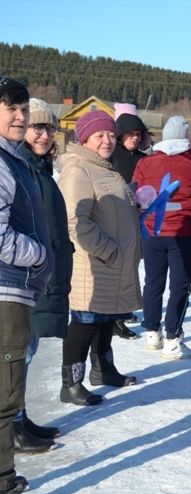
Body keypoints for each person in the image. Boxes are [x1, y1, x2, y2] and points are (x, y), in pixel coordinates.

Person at [58, 109, 142, 405]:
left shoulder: (106, 168)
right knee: (85, 321)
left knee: (107, 317)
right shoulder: (79, 169)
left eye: (109, 134)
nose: (106, 140)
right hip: (92, 263)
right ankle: (71, 384)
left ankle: (103, 369)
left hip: (113, 263)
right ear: (84, 139)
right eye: (99, 135)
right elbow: (75, 221)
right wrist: (109, 250)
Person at [0, 76, 54, 494]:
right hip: (5, 291)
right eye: (11, 109)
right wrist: (38, 253)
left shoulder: (13, 158)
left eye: (22, 108)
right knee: (4, 395)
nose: (20, 116)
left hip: (15, 290)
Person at [132, 116, 191, 359]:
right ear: (186, 137)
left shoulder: (145, 164)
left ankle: (152, 333)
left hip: (152, 232)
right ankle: (172, 339)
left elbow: (136, 196)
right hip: (185, 234)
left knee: (153, 281)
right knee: (180, 286)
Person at [15, 98, 68, 453]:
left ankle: (19, 417)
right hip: (21, 275)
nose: (45, 134)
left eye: (50, 127)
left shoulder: (40, 168)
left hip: (38, 275)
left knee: (26, 352)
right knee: (18, 354)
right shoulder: (20, 167)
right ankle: (11, 425)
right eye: (38, 127)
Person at [110, 103, 152, 340]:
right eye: (130, 134)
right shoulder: (112, 157)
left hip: (139, 220)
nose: (135, 138)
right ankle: (115, 319)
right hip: (115, 220)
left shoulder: (143, 159)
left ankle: (124, 309)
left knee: (132, 268)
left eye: (138, 134)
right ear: (120, 134)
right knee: (120, 270)